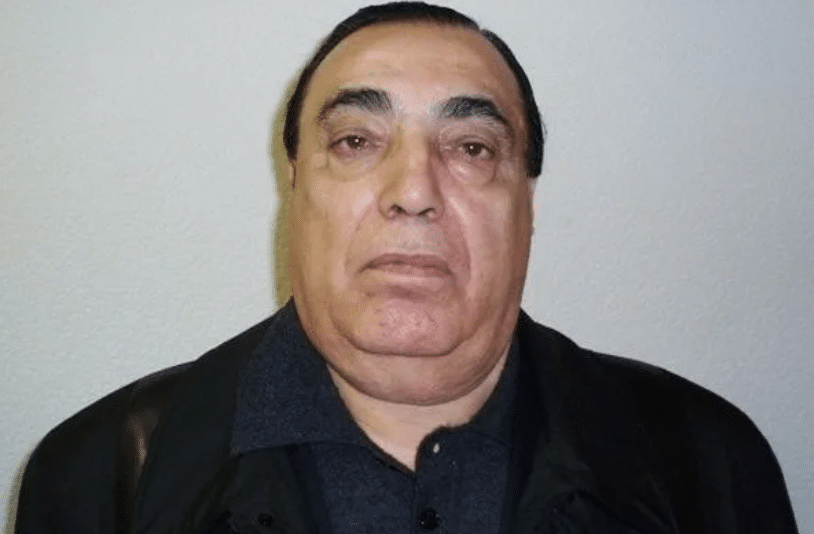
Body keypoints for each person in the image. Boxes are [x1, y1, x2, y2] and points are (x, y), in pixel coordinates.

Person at [15, 3, 798, 533]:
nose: (414, 191)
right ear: (296, 186)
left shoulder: (709, 465)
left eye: (472, 148)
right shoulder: (101, 478)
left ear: (525, 204)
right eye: (356, 141)